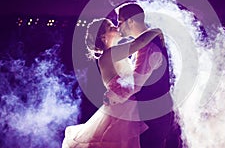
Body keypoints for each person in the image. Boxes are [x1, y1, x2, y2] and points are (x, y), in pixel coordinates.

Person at [62, 18, 163, 148]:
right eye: (111, 28)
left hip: (124, 107)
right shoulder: (110, 54)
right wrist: (157, 30)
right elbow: (139, 43)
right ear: (103, 37)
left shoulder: (115, 53)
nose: (116, 27)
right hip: (122, 112)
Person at [106, 3, 183, 148]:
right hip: (155, 114)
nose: (118, 26)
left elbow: (135, 84)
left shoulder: (148, 47)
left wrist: (111, 97)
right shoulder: (146, 42)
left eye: (120, 21)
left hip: (154, 117)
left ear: (130, 21)